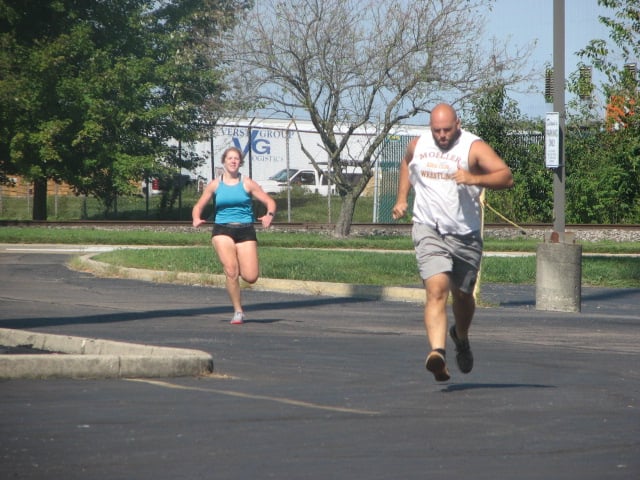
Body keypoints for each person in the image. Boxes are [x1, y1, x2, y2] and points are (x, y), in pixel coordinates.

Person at [392, 103, 513, 382]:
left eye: (447, 129)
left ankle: (461, 335)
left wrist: (474, 178)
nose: (442, 135)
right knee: (437, 289)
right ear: (430, 128)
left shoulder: (473, 147)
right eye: (437, 130)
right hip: (428, 228)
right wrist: (401, 198)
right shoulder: (419, 145)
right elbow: (406, 163)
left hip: (464, 234)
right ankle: (438, 353)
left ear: (458, 124)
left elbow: (506, 177)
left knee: (462, 295)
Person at [192, 146, 277, 325]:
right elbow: (198, 206)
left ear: (240, 163)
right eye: (230, 158)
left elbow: (270, 201)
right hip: (222, 229)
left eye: (236, 159)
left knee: (251, 277)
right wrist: (196, 218)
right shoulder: (216, 184)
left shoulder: (247, 183)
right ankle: (238, 311)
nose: (233, 161)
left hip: (245, 230)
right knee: (231, 270)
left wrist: (269, 215)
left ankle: (239, 268)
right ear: (224, 161)